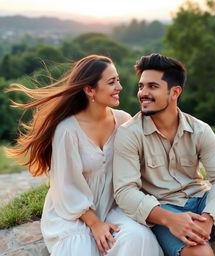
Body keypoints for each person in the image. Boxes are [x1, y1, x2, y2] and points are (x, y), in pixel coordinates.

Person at [5, 55, 163, 256]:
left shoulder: (123, 120)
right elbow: (67, 188)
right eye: (111, 82)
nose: (120, 87)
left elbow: (141, 165)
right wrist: (95, 224)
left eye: (118, 80)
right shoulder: (67, 130)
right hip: (74, 214)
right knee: (80, 248)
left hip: (114, 208)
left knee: (139, 239)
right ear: (89, 90)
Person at [113, 53, 215, 256]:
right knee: (201, 253)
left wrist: (208, 217)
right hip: (164, 211)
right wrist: (170, 219)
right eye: (141, 86)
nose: (143, 93)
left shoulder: (200, 129)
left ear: (175, 92)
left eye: (152, 86)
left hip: (201, 201)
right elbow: (125, 192)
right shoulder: (129, 134)